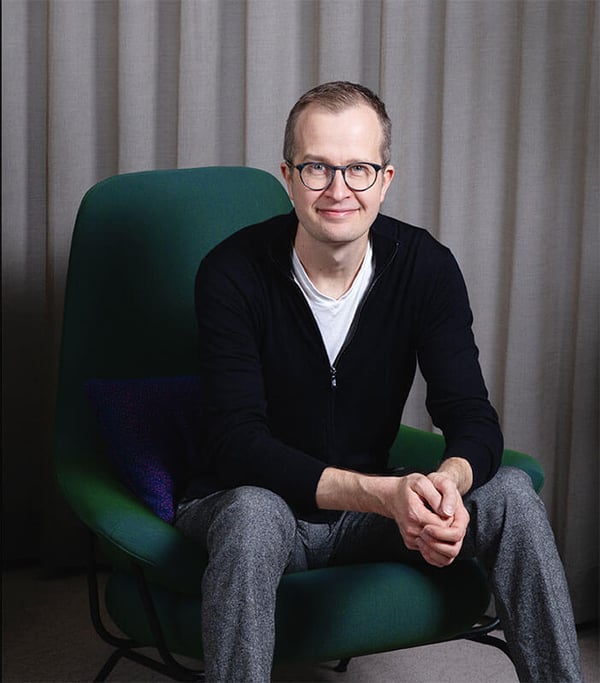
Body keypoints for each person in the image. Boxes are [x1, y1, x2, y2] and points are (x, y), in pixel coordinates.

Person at [175, 81, 582, 682]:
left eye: (359, 169)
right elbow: (238, 445)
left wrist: (444, 487)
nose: (339, 190)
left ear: (386, 180)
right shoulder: (231, 273)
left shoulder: (426, 267)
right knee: (253, 516)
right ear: (287, 176)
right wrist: (383, 495)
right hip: (252, 504)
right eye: (317, 168)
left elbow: (471, 418)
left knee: (512, 492)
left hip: (367, 514)